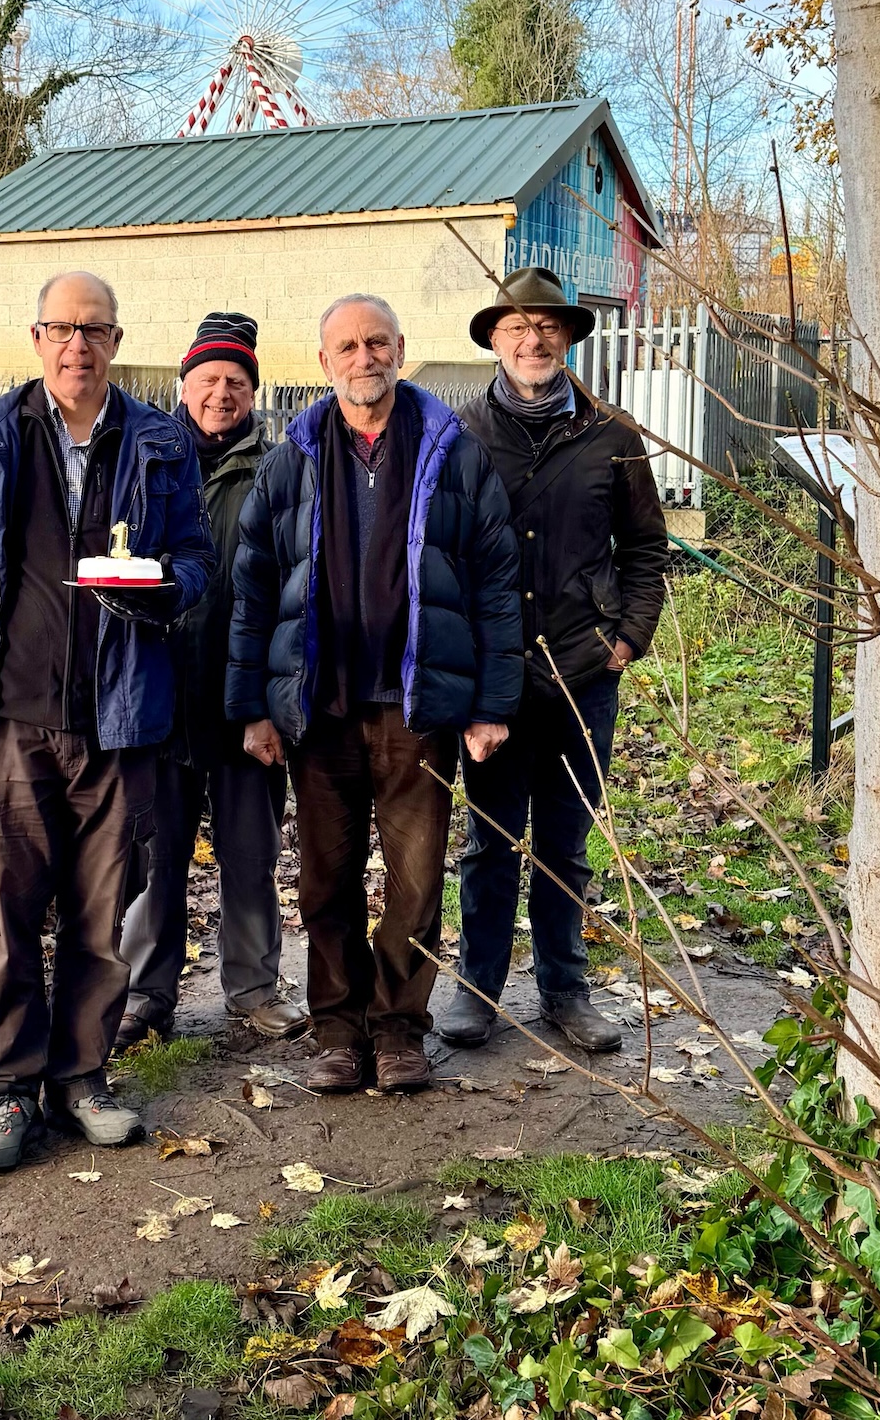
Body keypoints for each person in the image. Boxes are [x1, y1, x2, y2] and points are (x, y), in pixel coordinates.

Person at [0, 270, 214, 1173]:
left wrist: (166, 586)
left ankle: (82, 1077)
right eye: (62, 329)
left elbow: (198, 557)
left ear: (115, 341)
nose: (77, 345)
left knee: (99, 912)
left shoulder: (160, 442)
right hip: (7, 721)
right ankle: (8, 1088)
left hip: (120, 723)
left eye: (94, 330)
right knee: (3, 913)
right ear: (36, 338)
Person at [228, 294, 523, 1093]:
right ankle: (336, 1027)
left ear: (401, 348)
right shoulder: (293, 454)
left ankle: (397, 1027)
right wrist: (253, 703)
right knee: (325, 877)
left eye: (378, 342)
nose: (365, 357)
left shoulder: (448, 450)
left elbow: (496, 580)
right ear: (324, 362)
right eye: (348, 346)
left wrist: (492, 701)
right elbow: (255, 585)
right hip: (319, 710)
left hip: (415, 708)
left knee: (417, 877)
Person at [443, 267, 669, 1054]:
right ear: (495, 339)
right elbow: (440, 554)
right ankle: (477, 986)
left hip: (582, 670)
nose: (532, 340)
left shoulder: (612, 435)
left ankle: (566, 987)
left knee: (566, 841)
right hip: (496, 677)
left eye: (546, 327)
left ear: (567, 336)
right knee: (490, 840)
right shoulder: (462, 433)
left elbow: (646, 548)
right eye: (516, 327)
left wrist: (627, 637)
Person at [117, 312, 305, 1049]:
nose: (221, 393)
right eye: (208, 379)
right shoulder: (148, 456)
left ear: (253, 391)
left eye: (236, 381)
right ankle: (144, 994)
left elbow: (297, 587)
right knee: (151, 857)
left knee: (250, 853)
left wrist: (271, 698)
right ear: (183, 383)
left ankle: (254, 986)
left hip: (246, 700)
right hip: (159, 694)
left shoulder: (282, 466)